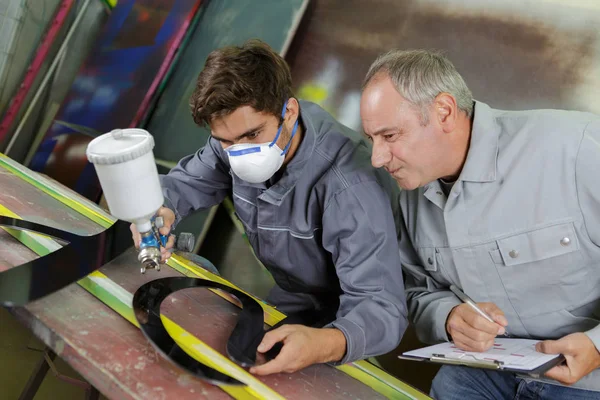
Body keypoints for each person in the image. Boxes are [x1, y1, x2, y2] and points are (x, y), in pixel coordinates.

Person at [130, 40, 408, 375]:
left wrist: (326, 342)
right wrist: (159, 209)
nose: (239, 153)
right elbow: (184, 184)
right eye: (226, 141)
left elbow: (381, 306)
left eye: (252, 135)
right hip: (294, 297)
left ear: (289, 111)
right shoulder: (232, 139)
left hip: (352, 319)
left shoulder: (350, 186)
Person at [360, 49, 600, 398]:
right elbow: (416, 291)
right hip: (490, 372)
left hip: (589, 381)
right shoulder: (411, 196)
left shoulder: (576, 149)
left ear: (443, 111)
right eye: (372, 140)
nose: (378, 158)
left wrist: (596, 346)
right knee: (450, 384)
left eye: (390, 136)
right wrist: (449, 316)